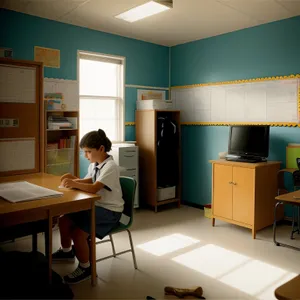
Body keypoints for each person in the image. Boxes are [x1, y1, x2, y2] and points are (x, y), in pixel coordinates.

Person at [52, 129, 124, 284]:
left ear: (101, 149)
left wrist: (73, 183)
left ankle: (85, 267)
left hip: (110, 211)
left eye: (88, 152)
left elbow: (94, 188)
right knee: (64, 220)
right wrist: (73, 180)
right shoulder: (95, 164)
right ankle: (67, 252)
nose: (86, 156)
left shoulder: (110, 166)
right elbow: (89, 181)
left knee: (78, 234)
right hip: (95, 206)